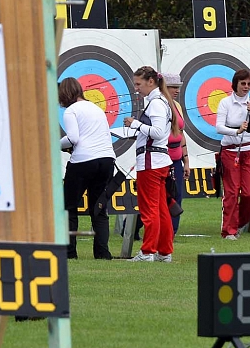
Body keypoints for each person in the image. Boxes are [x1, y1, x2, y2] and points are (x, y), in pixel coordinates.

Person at [123, 66, 177, 262]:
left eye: (138, 84)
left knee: (149, 209)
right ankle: (164, 252)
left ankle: (147, 252)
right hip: (159, 161)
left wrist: (135, 124)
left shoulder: (155, 103)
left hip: (151, 162)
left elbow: (157, 132)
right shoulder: (161, 101)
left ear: (151, 82)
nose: (136, 88)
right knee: (161, 209)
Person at [59, 77, 115, 260]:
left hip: (83, 161)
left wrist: (55, 144)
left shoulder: (71, 111)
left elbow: (73, 138)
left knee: (69, 207)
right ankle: (102, 253)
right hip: (107, 160)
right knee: (98, 208)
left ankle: (69, 253)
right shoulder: (96, 108)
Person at [215, 69, 250, 240]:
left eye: (249, 84)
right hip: (230, 151)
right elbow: (219, 127)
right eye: (243, 83)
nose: (246, 87)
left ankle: (238, 223)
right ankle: (228, 230)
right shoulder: (225, 102)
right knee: (231, 192)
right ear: (235, 84)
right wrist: (236, 131)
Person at [164, 73, 190, 237]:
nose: (177, 91)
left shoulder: (177, 106)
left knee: (177, 196)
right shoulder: (158, 106)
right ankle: (134, 227)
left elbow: (180, 134)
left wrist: (186, 160)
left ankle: (172, 232)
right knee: (161, 197)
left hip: (176, 159)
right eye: (173, 87)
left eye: (178, 87)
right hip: (161, 159)